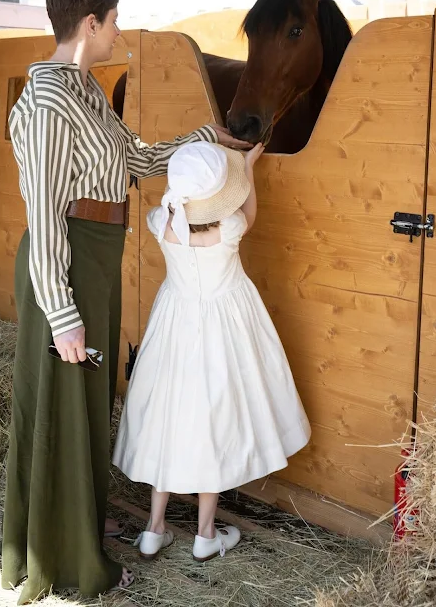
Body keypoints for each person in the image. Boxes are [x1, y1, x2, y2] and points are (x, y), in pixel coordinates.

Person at [2, 0, 250, 604]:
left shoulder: (83, 92)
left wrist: (202, 138)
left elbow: (134, 160)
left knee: (88, 397)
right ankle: (68, 558)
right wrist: (61, 313)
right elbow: (45, 211)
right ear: (90, 24)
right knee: (62, 398)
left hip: (97, 257)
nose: (118, 32)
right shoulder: (45, 103)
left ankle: (83, 520)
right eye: (114, 21)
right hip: (66, 262)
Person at [112, 141, 311, 562]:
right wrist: (248, 168)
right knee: (215, 420)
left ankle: (154, 528)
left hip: (174, 327)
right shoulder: (232, 228)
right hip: (225, 330)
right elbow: (249, 213)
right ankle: (205, 533)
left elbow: (173, 214)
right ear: (219, 197)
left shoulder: (158, 221)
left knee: (167, 416)